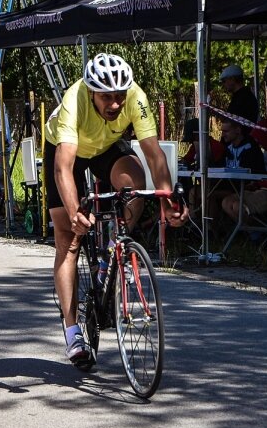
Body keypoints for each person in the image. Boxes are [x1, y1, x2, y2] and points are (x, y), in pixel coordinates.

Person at [45, 53, 188, 364]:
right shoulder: (74, 100)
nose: (114, 104)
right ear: (92, 92)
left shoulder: (136, 97)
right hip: (67, 150)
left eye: (119, 97)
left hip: (106, 147)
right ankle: (73, 335)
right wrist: (75, 212)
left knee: (135, 180)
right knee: (68, 239)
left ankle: (114, 245)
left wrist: (167, 201)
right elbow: (63, 169)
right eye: (106, 97)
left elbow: (155, 156)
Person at [219, 64, 258, 134]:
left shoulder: (244, 98)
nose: (223, 84)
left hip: (242, 139)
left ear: (232, 79)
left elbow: (234, 121)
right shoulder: (240, 96)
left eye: (224, 81)